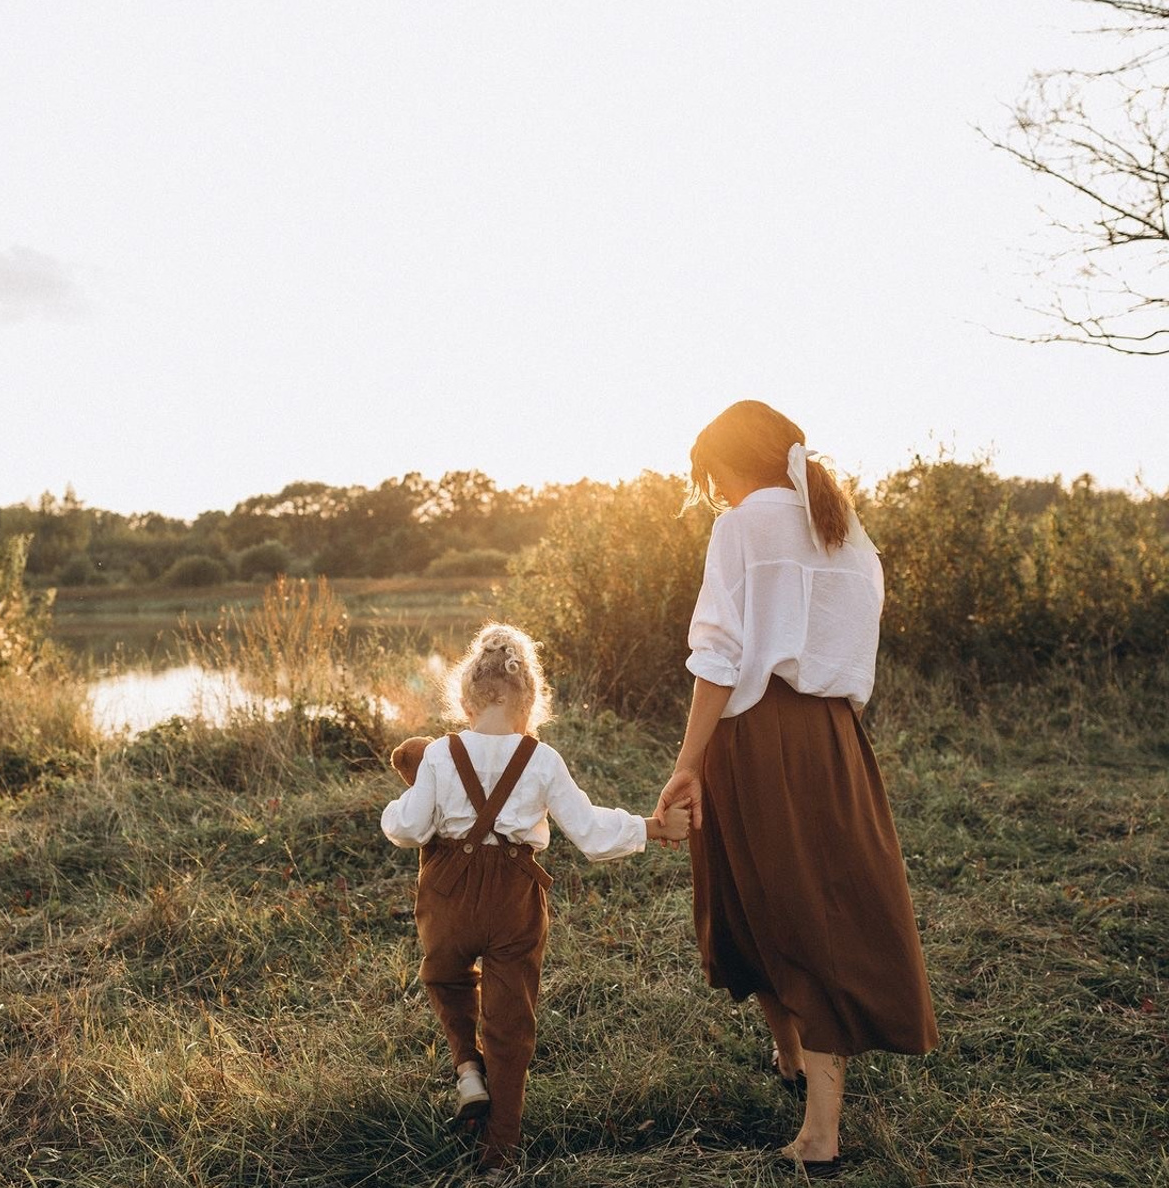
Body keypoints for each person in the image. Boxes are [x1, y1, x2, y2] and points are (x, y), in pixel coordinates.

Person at [653, 400, 938, 1179]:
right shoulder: (843, 528)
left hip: (756, 735)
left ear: (727, 465)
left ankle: (820, 1132)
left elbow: (716, 655)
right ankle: (789, 1060)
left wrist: (686, 763)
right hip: (834, 737)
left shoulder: (741, 528)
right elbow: (857, 643)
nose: (716, 496)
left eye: (712, 479)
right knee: (793, 894)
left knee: (783, 902)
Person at [382, 622, 690, 1181]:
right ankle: (500, 1152)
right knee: (511, 1023)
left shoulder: (439, 754)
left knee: (444, 975)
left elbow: (407, 828)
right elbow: (593, 834)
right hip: (515, 899)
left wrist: (395, 808)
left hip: (449, 893)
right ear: (529, 699)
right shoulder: (542, 760)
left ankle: (466, 1069)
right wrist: (653, 826)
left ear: (469, 696)